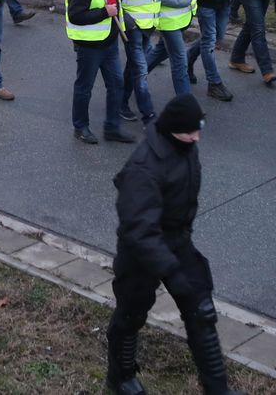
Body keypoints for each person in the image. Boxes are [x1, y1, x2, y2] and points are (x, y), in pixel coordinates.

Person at [105, 94, 245, 395]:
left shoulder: (186, 145)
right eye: (190, 131)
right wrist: (170, 272)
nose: (197, 137)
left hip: (177, 241)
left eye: (199, 129)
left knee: (202, 311)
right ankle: (120, 378)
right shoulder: (144, 167)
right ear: (172, 130)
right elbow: (138, 229)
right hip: (140, 252)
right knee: (131, 313)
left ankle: (216, 389)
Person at [66, 0, 132, 145]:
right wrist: (104, 12)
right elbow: (76, 15)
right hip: (90, 46)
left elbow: (116, 5)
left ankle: (112, 128)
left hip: (110, 44)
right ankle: (81, 127)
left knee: (116, 85)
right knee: (85, 87)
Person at [115, 0, 165, 124]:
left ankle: (120, 102)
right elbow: (115, 0)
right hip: (133, 29)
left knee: (133, 68)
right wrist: (131, 25)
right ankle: (149, 116)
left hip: (149, 27)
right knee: (141, 71)